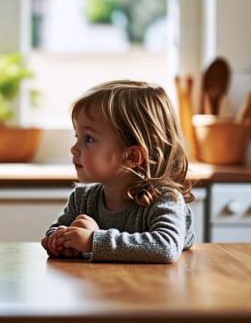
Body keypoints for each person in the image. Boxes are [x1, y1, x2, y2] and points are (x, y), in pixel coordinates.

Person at [41, 80, 195, 263]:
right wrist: (58, 240)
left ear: (131, 156)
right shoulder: (83, 198)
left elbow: (165, 247)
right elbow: (57, 228)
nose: (74, 148)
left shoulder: (165, 199)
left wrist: (92, 240)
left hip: (153, 288)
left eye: (88, 138)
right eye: (77, 136)